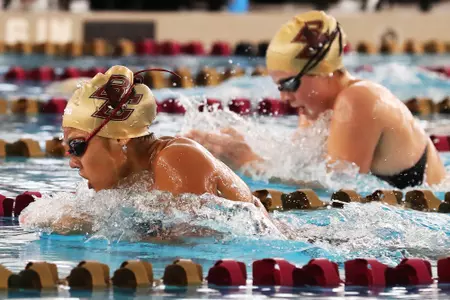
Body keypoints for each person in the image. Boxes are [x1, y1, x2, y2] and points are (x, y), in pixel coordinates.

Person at [184, 10, 447, 190]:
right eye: (279, 87)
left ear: (323, 71)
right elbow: (302, 172)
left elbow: (339, 188)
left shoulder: (359, 99)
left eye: (289, 83)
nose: (285, 97)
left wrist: (248, 163)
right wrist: (235, 151)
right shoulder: (316, 111)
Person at [23, 65, 266, 235]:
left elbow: (192, 239)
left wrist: (94, 224)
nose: (72, 162)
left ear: (120, 140)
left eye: (77, 146)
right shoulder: (135, 179)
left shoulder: (176, 158)